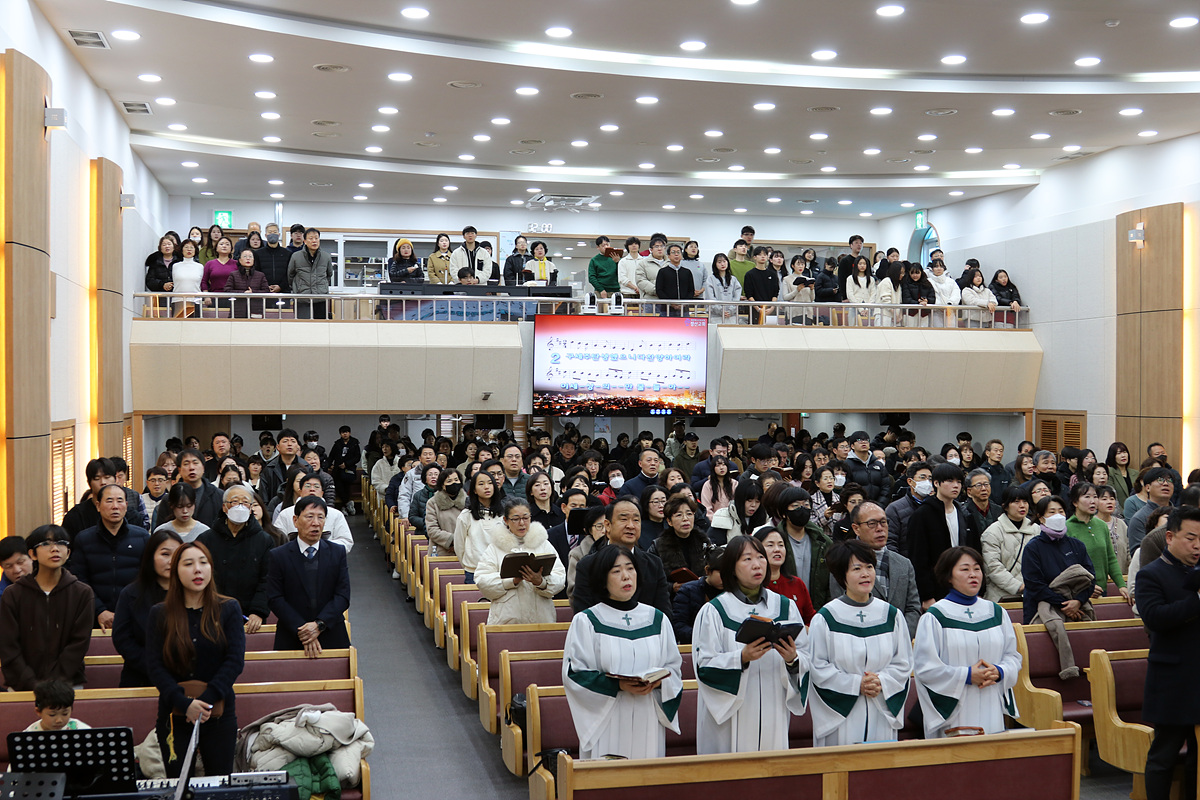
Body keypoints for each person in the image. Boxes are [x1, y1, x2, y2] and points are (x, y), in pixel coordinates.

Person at [562, 545, 683, 759]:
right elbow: (575, 674)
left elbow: (673, 667)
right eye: (616, 571)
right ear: (602, 578)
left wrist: (659, 682)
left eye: (630, 568)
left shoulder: (657, 619)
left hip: (648, 716)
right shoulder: (587, 621)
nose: (626, 576)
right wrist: (617, 684)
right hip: (608, 719)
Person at [692, 535, 809, 754]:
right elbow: (704, 667)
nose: (757, 564)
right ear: (731, 568)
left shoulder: (785, 607)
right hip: (731, 716)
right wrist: (741, 658)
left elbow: (806, 656)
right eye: (747, 559)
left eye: (760, 557)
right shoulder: (714, 611)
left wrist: (792, 660)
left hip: (774, 707)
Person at [145, 541, 246, 778]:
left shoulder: (229, 608)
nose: (197, 570)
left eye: (203, 563)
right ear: (176, 571)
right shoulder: (160, 613)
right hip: (174, 712)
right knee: (179, 784)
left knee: (219, 783)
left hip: (218, 710)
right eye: (188, 564)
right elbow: (154, 665)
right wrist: (185, 704)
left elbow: (234, 661)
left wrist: (205, 702)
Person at [808, 540, 913, 746]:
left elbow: (903, 662)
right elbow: (817, 667)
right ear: (842, 576)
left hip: (880, 706)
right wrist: (857, 684)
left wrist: (881, 681)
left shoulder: (891, 615)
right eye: (857, 569)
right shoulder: (826, 618)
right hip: (843, 715)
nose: (865, 574)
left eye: (869, 567)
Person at [914, 546, 1021, 737]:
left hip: (991, 703)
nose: (973, 574)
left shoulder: (996, 612)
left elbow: (1012, 656)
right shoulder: (935, 616)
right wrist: (967, 675)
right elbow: (925, 669)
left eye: (977, 568)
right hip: (955, 710)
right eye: (965, 569)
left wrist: (1000, 671)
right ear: (948, 576)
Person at [1137, 506, 1200, 800]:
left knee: (1198, 758)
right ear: (1171, 537)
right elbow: (1155, 618)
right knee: (1164, 755)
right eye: (1191, 538)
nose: (1197, 545)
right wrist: (1197, 600)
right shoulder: (1151, 574)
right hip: (1173, 681)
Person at [0, 525, 94, 691]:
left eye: (61, 543)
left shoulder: (82, 593)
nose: (55, 549)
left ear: (68, 552)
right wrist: (32, 683)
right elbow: (9, 645)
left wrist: (55, 683)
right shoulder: (13, 594)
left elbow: (79, 644)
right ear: (32, 554)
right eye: (46, 544)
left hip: (67, 686)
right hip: (22, 686)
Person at [267, 496, 351, 656]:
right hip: (291, 634)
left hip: (331, 632)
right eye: (309, 516)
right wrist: (304, 630)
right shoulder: (279, 555)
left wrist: (319, 625)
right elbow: (275, 598)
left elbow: (342, 595)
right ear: (295, 520)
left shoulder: (337, 552)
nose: (316, 523)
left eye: (321, 517)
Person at [830, 502, 922, 637]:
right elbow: (841, 606)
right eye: (872, 524)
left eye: (883, 522)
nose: (880, 529)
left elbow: (913, 607)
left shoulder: (903, 564)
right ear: (856, 528)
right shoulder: (844, 561)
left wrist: (901, 636)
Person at [68, 484, 150, 629]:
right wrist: (99, 610)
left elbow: (148, 579)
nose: (115, 506)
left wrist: (131, 610)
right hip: (95, 618)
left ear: (126, 505)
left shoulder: (142, 537)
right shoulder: (84, 539)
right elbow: (79, 580)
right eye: (109, 501)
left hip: (135, 616)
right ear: (98, 506)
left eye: (120, 501)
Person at [197, 485, 276, 634]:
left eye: (245, 502)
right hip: (212, 613)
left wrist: (258, 611)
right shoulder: (206, 539)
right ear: (224, 507)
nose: (240, 506)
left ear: (251, 508)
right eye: (234, 502)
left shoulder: (264, 540)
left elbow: (267, 579)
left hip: (250, 617)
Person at [571, 499, 671, 615]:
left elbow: (663, 613)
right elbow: (583, 614)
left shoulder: (654, 564)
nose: (631, 526)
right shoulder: (588, 565)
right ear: (607, 525)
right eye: (624, 519)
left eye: (636, 520)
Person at [475, 498, 566, 624]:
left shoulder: (543, 544)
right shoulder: (495, 548)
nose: (522, 523)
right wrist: (512, 580)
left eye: (525, 518)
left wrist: (541, 582)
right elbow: (482, 580)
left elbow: (560, 576)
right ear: (506, 520)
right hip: (506, 619)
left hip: (541, 619)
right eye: (516, 519)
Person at [114, 529, 183, 687]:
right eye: (165, 554)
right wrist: (155, 667)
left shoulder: (191, 593)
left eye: (177, 555)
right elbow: (123, 639)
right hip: (140, 677)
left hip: (183, 679)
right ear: (151, 556)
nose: (171, 561)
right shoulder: (131, 594)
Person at [908, 463, 974, 607]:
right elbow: (918, 557)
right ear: (936, 483)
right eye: (950, 481)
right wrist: (926, 595)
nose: (955, 486)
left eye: (959, 482)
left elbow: (974, 550)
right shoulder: (922, 515)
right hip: (936, 586)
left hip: (963, 582)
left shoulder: (964, 513)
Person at [1066, 482, 1128, 601]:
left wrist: (1121, 585)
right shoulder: (1067, 528)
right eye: (1087, 497)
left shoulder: (1101, 525)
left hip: (1101, 589)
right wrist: (1086, 586)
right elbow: (1068, 566)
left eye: (1095, 496)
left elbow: (1110, 558)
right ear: (1075, 502)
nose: (1092, 501)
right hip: (1077, 593)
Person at [980, 486, 1038, 602]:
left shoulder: (1036, 529)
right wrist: (1018, 586)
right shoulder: (992, 532)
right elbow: (992, 567)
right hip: (1000, 596)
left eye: (1025, 501)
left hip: (1033, 594)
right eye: (1016, 502)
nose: (1022, 505)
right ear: (1005, 506)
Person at [275, 472, 355, 554]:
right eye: (308, 486)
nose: (312, 489)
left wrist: (320, 547)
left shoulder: (336, 514)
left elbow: (346, 541)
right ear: (300, 491)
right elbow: (277, 540)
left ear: (322, 493)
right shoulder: (286, 514)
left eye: (316, 486)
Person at [649, 495, 712, 594]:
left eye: (689, 514)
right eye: (679, 515)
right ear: (669, 521)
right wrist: (671, 587)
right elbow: (650, 578)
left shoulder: (704, 541)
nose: (685, 519)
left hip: (702, 594)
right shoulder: (658, 546)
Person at [754, 526, 816, 623]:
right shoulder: (753, 586)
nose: (777, 550)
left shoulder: (797, 583)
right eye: (770, 545)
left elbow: (811, 620)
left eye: (781, 545)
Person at [453, 470, 505, 582]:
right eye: (481, 484)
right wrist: (468, 565)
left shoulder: (503, 515)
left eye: (490, 483)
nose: (486, 487)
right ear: (474, 490)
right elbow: (459, 546)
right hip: (474, 571)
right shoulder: (466, 515)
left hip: (498, 571)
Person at [287, 227, 333, 319]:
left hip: (320, 298)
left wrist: (321, 287)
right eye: (311, 238)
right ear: (305, 241)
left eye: (316, 238)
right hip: (302, 298)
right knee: (303, 325)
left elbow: (329, 274)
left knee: (320, 325)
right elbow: (290, 275)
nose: (314, 241)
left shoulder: (326, 257)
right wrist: (299, 287)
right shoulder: (296, 256)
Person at [1128, 466, 1175, 552]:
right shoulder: (1139, 518)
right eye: (1160, 480)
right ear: (1147, 487)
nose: (1166, 483)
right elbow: (1138, 553)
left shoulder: (1179, 515)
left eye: (1169, 480)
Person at [710, 477, 768, 545]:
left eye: (757, 501)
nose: (753, 505)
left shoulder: (765, 518)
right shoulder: (723, 517)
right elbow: (715, 547)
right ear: (740, 499)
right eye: (749, 501)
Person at [426, 468, 466, 557]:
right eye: (449, 481)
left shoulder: (468, 502)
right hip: (441, 551)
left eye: (456, 480)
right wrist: (452, 540)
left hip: (465, 551)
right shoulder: (433, 503)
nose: (454, 483)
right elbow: (432, 529)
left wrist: (460, 543)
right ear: (443, 485)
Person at [844, 430, 891, 502]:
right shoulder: (846, 465)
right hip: (857, 505)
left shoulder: (878, 464)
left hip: (877, 505)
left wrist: (880, 504)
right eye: (859, 440)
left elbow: (886, 487)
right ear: (852, 446)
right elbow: (846, 489)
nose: (863, 442)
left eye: (866, 440)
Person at [24, 680, 92, 731]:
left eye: (65, 714)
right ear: (38, 711)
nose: (59, 720)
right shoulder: (30, 732)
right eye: (52, 715)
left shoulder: (80, 729)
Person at [1095, 485, 1131, 573]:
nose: (1109, 502)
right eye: (1104, 499)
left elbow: (1129, 550)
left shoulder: (1121, 524)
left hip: (1123, 576)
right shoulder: (1091, 524)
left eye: (1112, 499)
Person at [226, 248, 270, 317]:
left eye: (250, 256)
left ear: (254, 260)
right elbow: (227, 290)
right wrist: (243, 293)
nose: (248, 259)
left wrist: (253, 292)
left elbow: (266, 291)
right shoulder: (233, 275)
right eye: (245, 256)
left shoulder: (260, 275)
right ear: (240, 260)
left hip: (256, 309)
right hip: (237, 310)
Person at [327, 426, 361, 515]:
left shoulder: (354, 443)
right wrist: (329, 465)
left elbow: (357, 457)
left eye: (346, 432)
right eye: (343, 432)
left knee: (346, 486)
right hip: (337, 470)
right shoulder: (337, 444)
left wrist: (346, 464)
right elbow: (331, 456)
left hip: (349, 469)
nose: (345, 434)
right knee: (338, 485)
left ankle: (344, 506)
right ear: (340, 434)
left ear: (349, 433)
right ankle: (347, 503)